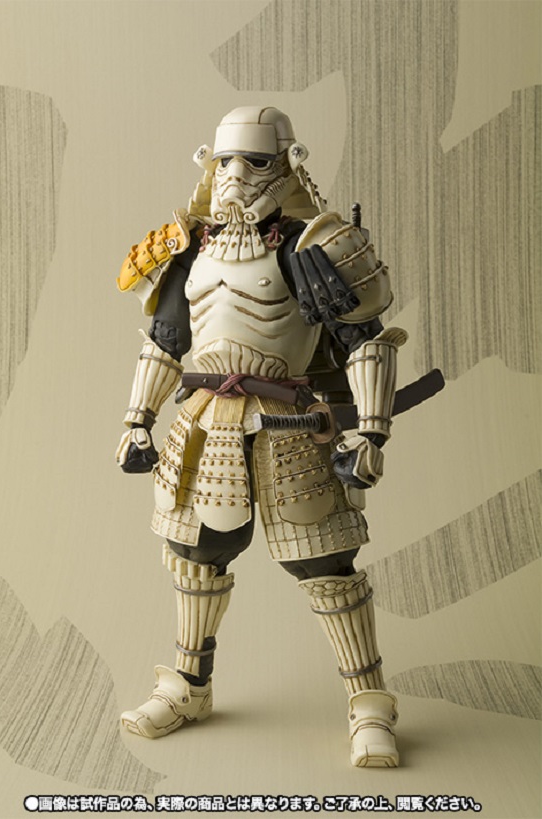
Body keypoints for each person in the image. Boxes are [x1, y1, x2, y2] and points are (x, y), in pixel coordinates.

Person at [115, 106, 407, 767]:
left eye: (254, 161)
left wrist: (371, 431)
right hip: (204, 424)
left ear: (286, 165)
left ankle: (369, 703)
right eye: (225, 161)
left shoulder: (313, 247)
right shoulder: (189, 248)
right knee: (194, 558)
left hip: (290, 425)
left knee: (325, 565)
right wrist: (137, 418)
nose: (236, 175)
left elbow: (365, 342)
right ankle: (188, 685)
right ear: (209, 164)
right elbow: (165, 341)